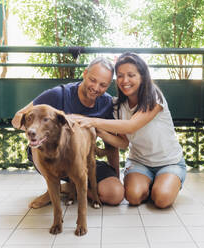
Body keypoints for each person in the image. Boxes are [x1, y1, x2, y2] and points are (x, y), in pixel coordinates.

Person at [12, 57, 124, 206]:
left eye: (103, 85)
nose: (96, 87)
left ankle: (69, 188)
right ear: (85, 74)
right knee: (41, 144)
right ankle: (53, 189)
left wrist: (115, 176)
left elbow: (112, 147)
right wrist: (40, 131)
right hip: (51, 154)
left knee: (115, 194)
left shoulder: (107, 104)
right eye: (92, 80)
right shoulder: (58, 95)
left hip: (82, 158)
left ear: (108, 85)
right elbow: (18, 118)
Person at [81, 52, 186, 209]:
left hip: (170, 162)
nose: (125, 81)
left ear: (142, 76)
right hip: (139, 162)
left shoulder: (155, 97)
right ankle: (150, 184)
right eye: (121, 76)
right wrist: (100, 132)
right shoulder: (117, 106)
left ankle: (162, 184)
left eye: (131, 75)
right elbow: (123, 143)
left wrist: (92, 121)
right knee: (133, 197)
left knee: (162, 200)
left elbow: (131, 125)